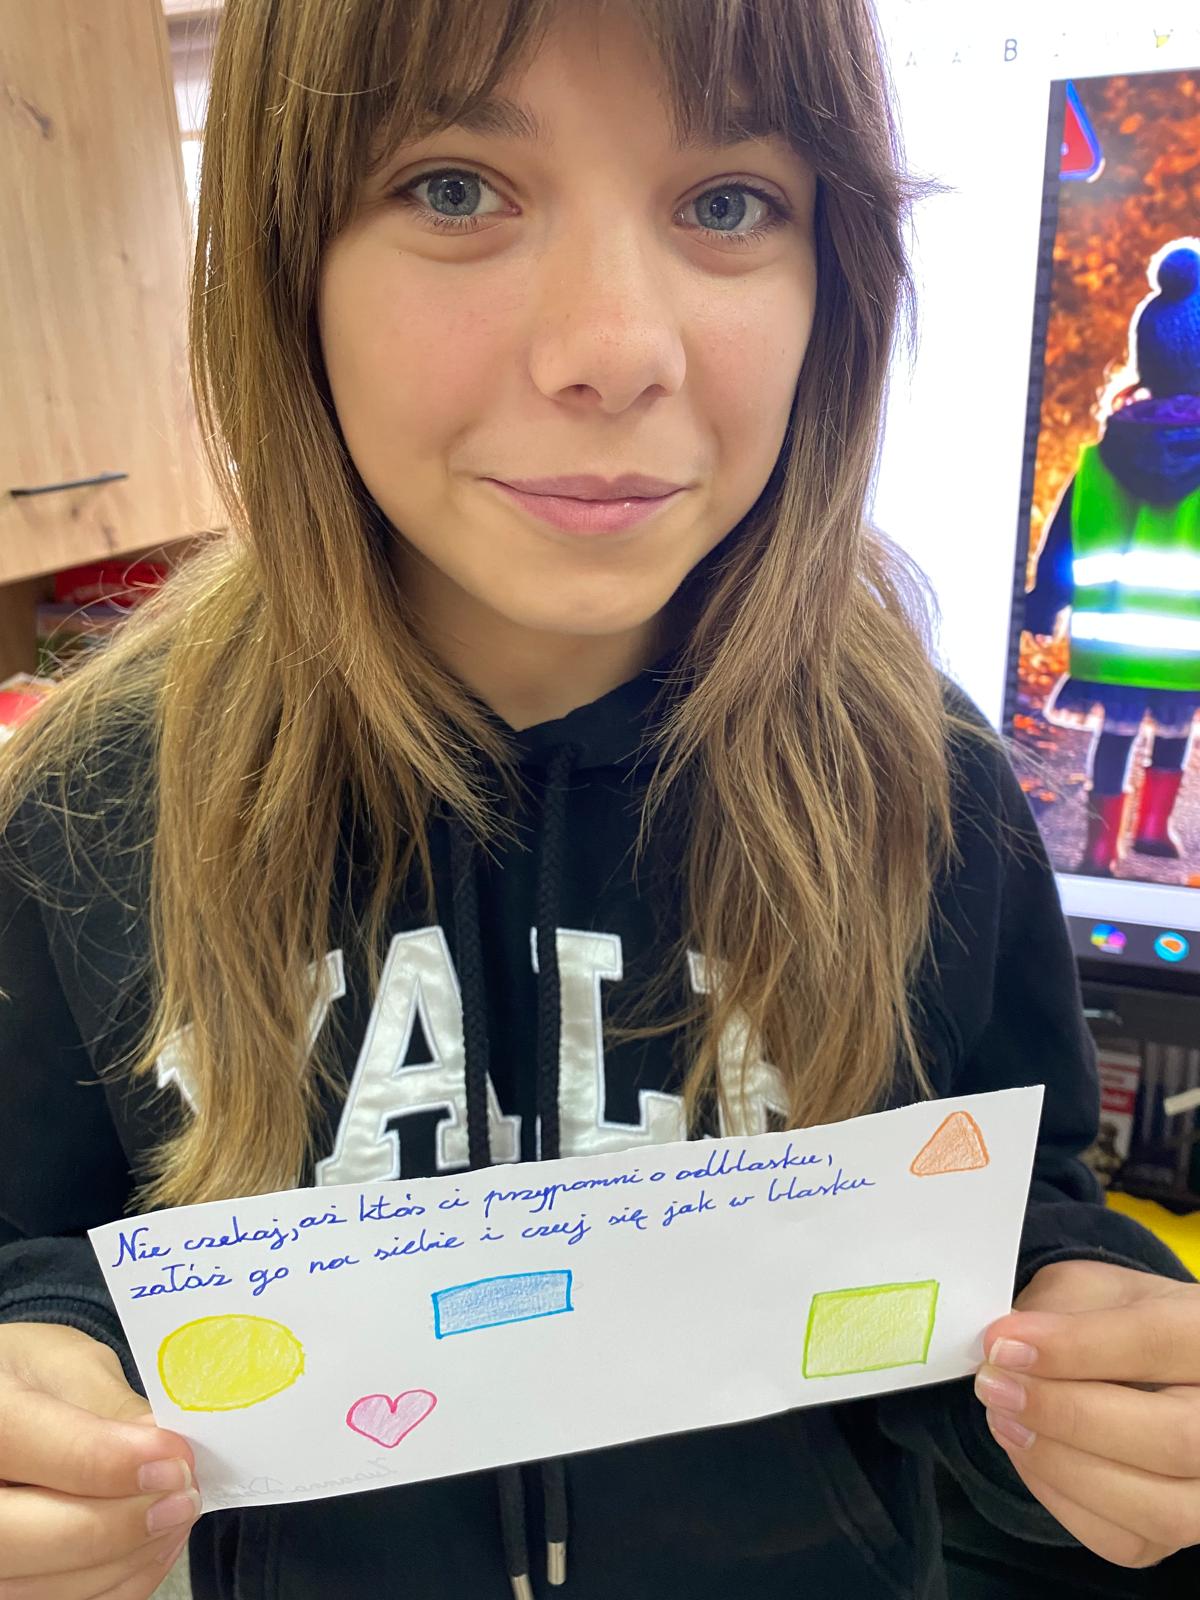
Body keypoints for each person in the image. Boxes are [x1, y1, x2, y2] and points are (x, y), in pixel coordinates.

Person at [1, 2, 1198, 1598]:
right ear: (286, 264)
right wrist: (42, 1392)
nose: (616, 349)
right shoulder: (91, 802)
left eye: (729, 201)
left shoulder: (928, 783)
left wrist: (1092, 1374)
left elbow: (1014, 1217)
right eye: (454, 189)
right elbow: (40, 1248)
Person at [1024, 242, 1200, 878]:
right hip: (1190, 649)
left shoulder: (1102, 460)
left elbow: (1065, 542)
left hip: (1115, 645)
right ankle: (1154, 829)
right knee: (1175, 730)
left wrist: (1044, 606)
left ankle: (1101, 849)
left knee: (1116, 734)